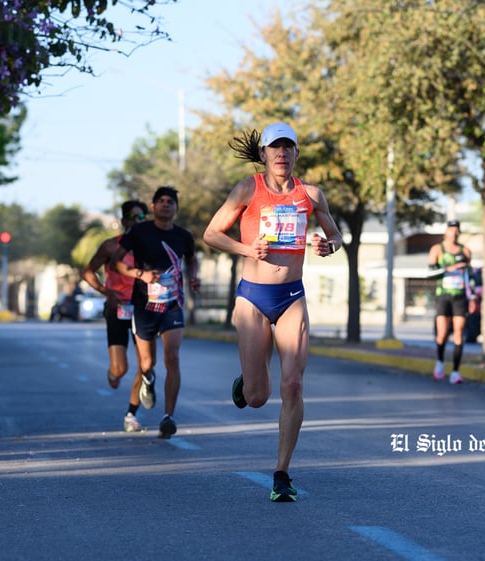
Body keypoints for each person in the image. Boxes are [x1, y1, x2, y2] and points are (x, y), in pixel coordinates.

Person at [202, 122, 343, 502]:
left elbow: (336, 236)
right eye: (274, 147)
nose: (281, 153)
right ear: (263, 154)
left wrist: (328, 246)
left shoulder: (310, 194)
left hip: (292, 296)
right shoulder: (249, 188)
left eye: (288, 147)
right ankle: (247, 383)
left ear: (296, 153)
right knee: (259, 396)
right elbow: (212, 233)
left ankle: (282, 473)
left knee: (293, 385)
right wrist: (247, 250)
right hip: (253, 298)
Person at [112, 187, 200, 439]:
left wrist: (193, 277)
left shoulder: (183, 235)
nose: (165, 205)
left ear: (176, 207)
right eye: (160, 201)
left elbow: (192, 259)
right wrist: (140, 274)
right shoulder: (139, 232)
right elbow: (117, 262)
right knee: (146, 364)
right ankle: (148, 382)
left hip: (172, 304)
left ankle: (168, 417)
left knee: (172, 357)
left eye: (170, 201)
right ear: (152, 207)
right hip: (144, 305)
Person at [82, 200, 150, 432]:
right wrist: (105, 291)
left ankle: (131, 414)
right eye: (133, 217)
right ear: (123, 221)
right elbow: (88, 272)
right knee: (120, 369)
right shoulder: (111, 246)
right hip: (118, 308)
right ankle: (114, 373)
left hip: (144, 309)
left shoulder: (150, 245)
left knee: (146, 364)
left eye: (142, 218)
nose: (138, 222)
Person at [427, 220, 475, 384]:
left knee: (459, 332)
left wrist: (473, 297)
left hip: (460, 296)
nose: (453, 233)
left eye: (456, 231)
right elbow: (430, 272)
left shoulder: (465, 251)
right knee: (442, 333)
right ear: (446, 231)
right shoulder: (437, 249)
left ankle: (455, 371)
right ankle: (440, 362)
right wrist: (450, 269)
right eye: (450, 230)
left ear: (459, 232)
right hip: (443, 295)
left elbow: (471, 277)